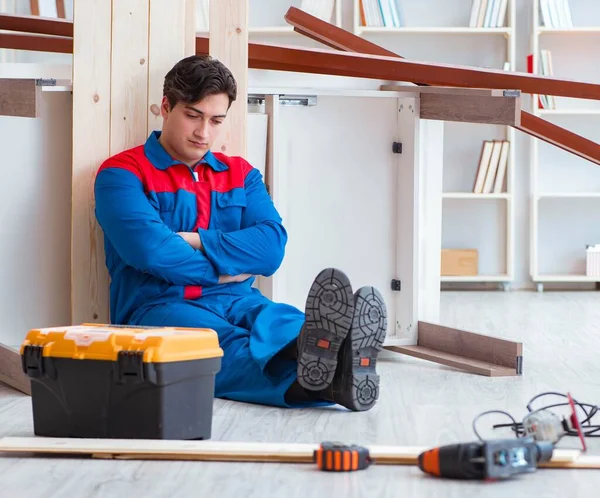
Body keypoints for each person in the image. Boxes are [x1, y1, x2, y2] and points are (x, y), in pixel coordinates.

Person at [94, 55, 388, 411]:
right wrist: (229, 269)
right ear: (166, 107)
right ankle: (332, 380)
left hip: (238, 299)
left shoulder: (241, 174)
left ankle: (335, 361)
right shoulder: (121, 174)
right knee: (222, 344)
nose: (204, 132)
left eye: (216, 120)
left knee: (281, 319)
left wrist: (198, 240)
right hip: (158, 307)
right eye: (193, 116)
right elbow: (153, 253)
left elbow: (271, 248)